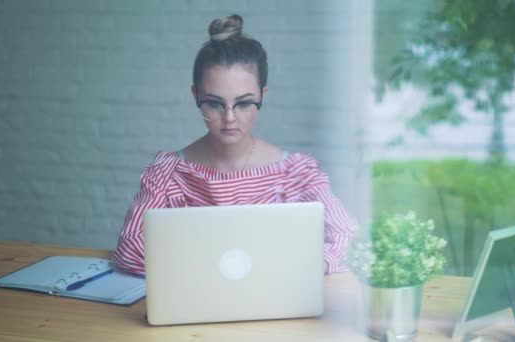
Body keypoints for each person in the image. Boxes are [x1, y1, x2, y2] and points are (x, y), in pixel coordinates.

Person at [113, 14, 354, 276]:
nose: (229, 118)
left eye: (244, 103)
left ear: (262, 95)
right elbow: (129, 250)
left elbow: (348, 239)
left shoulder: (296, 173)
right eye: (215, 103)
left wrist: (291, 267)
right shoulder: (168, 174)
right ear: (196, 96)